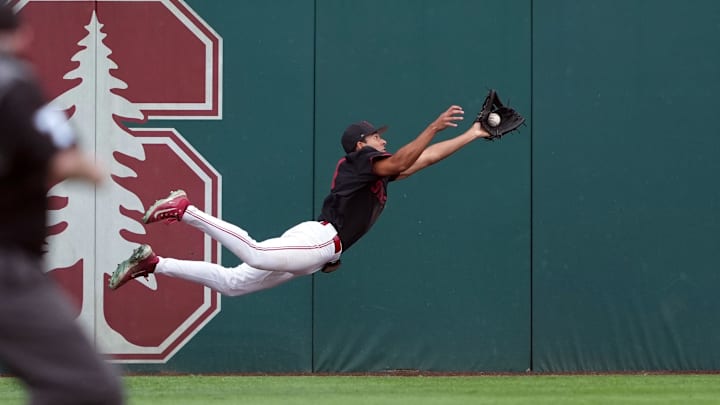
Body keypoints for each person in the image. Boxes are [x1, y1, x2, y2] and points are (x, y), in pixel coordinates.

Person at [109, 105, 490, 296]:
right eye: (377, 137)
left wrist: (473, 133)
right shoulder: (359, 161)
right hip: (321, 238)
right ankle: (185, 209)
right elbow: (406, 157)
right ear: (362, 145)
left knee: (233, 284)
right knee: (255, 254)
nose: (382, 141)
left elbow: (425, 159)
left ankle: (154, 264)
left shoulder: (374, 171)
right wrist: (432, 126)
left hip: (321, 247)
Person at [0, 5, 125, 405]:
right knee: (89, 387)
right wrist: (93, 167)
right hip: (6, 271)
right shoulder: (12, 83)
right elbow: (67, 161)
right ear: (19, 34)